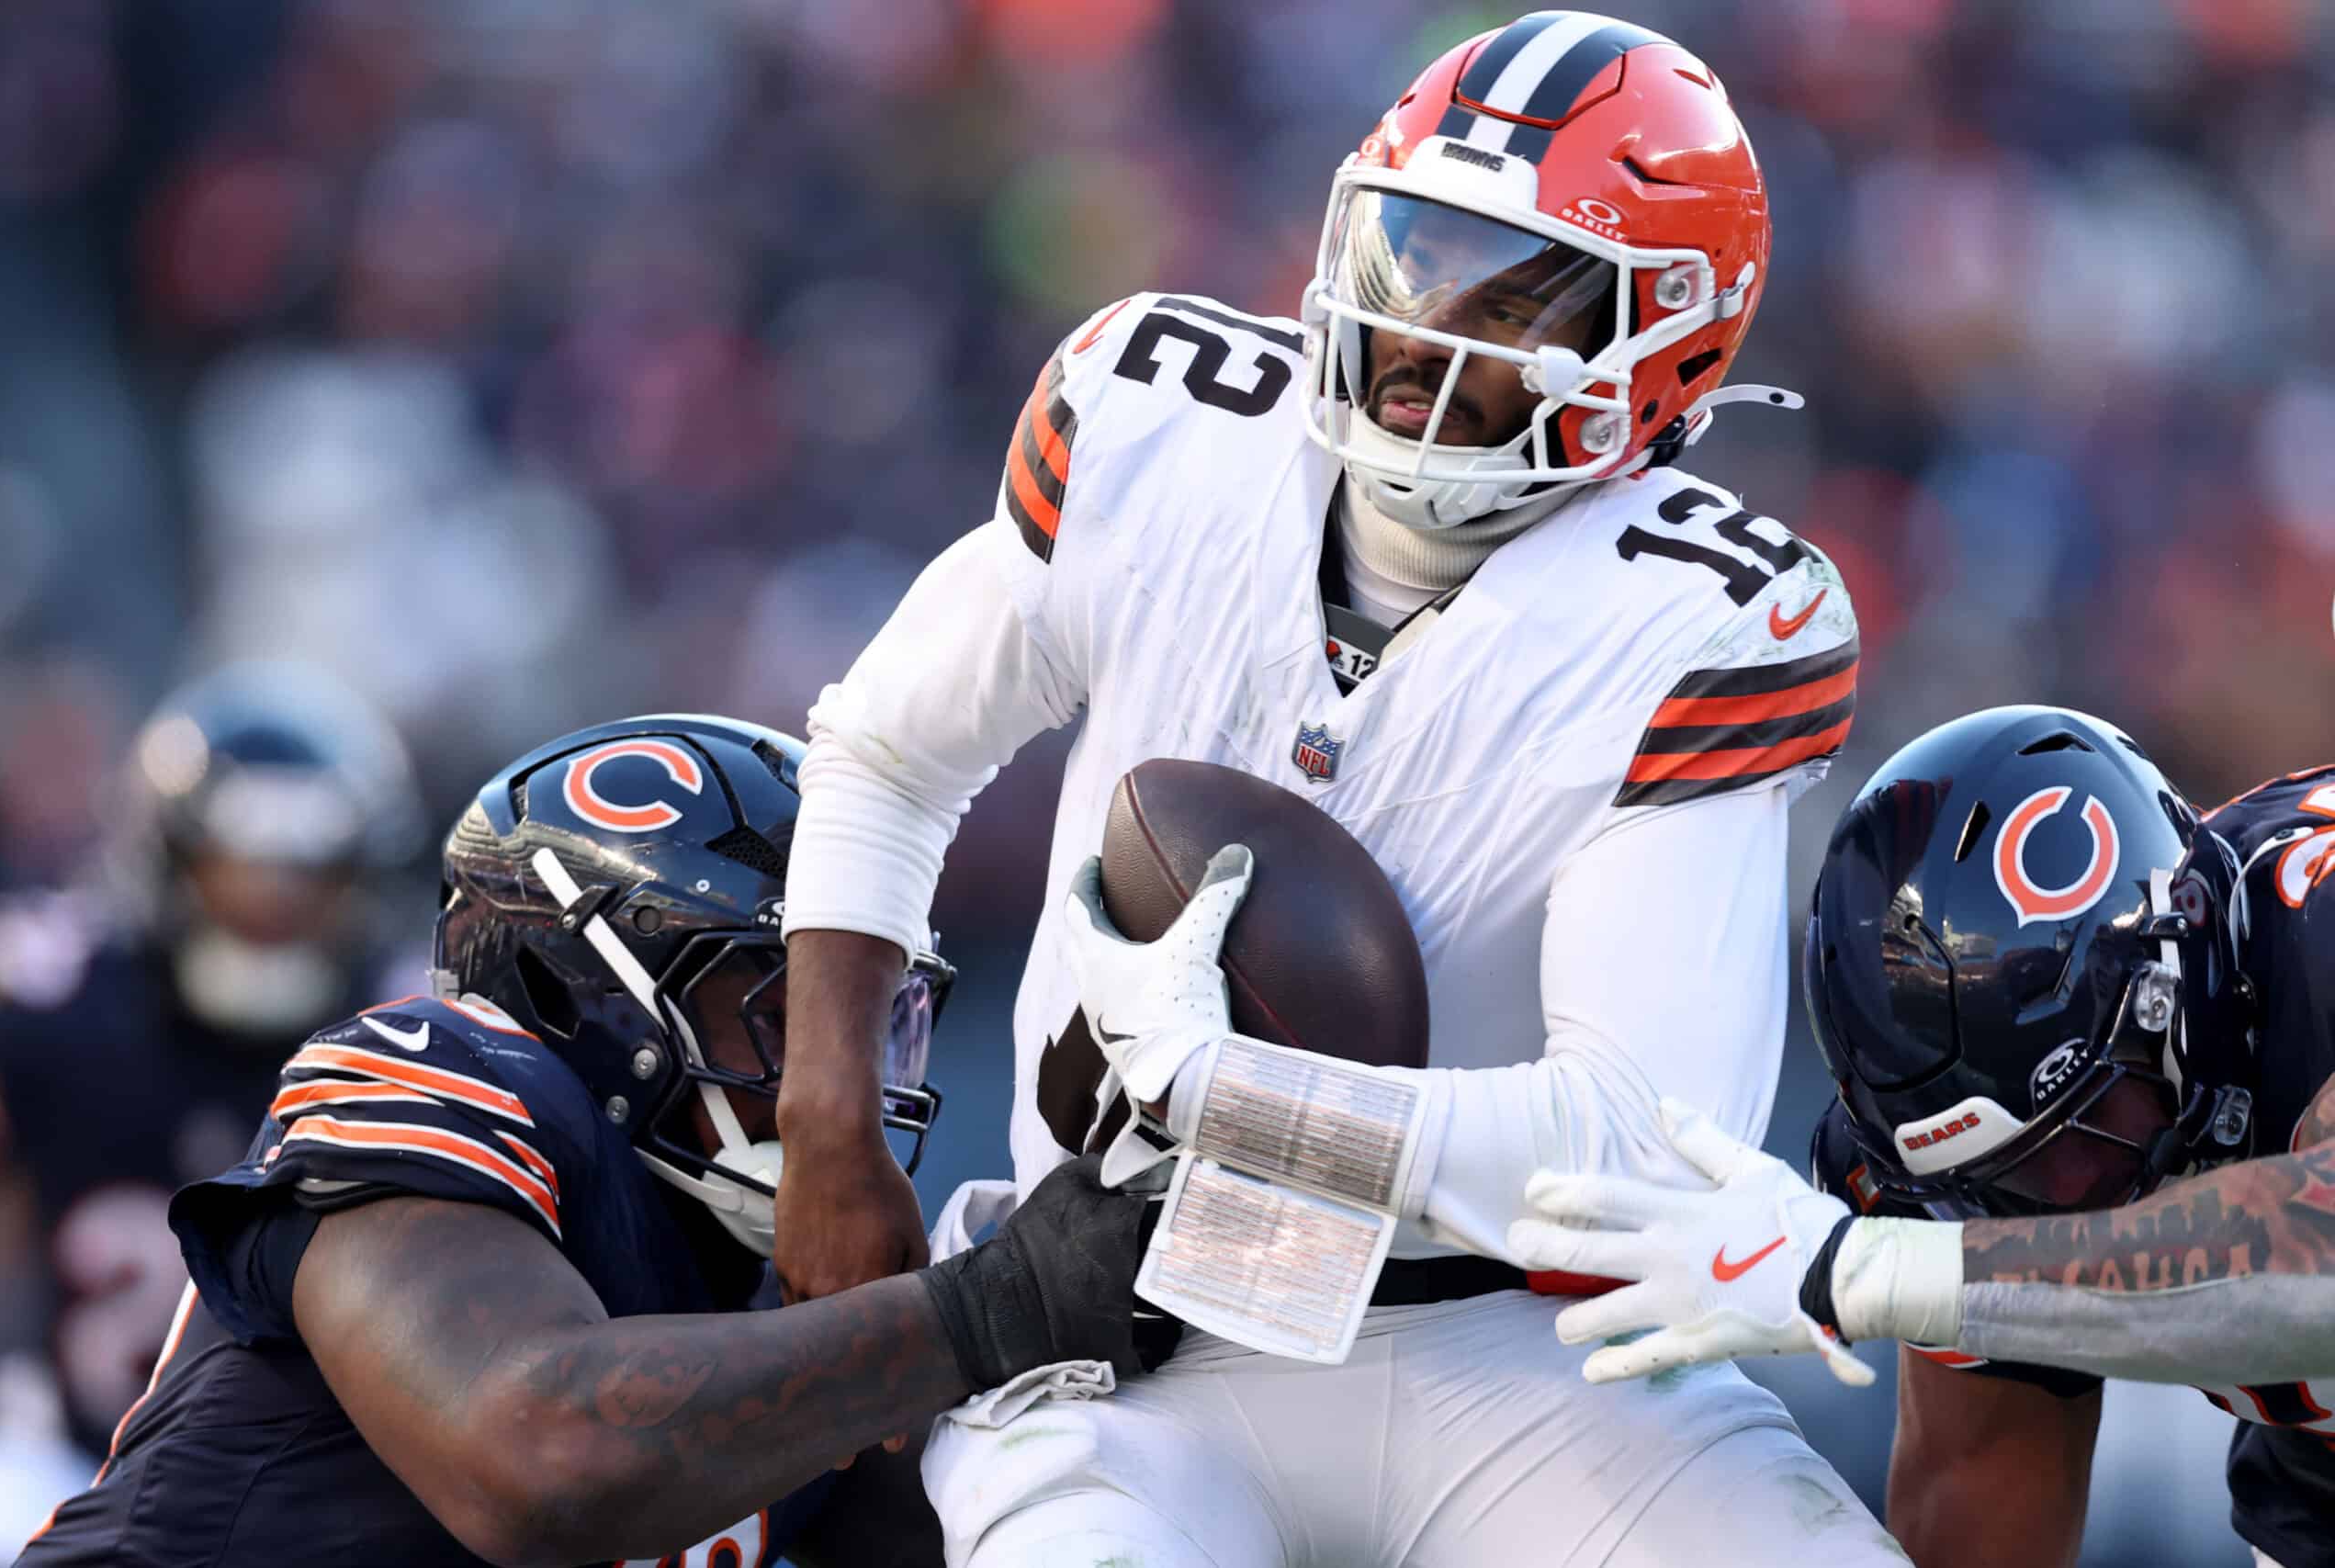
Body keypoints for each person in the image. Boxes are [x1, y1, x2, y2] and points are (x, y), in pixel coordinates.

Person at [772, 11, 1907, 1565]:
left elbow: (1639, 1148)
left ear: (1675, 337)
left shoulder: (1704, 618)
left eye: (1521, 292)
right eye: (1412, 251)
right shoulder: (1154, 422)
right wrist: (831, 1118)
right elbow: (890, 749)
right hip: (1120, 1329)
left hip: (1511, 1355)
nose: (1431, 324)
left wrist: (1231, 1097)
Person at [17, 715, 1167, 1568]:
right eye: (787, 1007)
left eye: (883, 1019)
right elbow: (538, 1457)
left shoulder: (787, 1288)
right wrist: (986, 1309)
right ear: (588, 991)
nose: (844, 1075)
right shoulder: (438, 1065)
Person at [1508, 704, 2335, 1568]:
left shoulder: (2316, 935)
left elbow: (2316, 1268)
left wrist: (1873, 1275)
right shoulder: (1937, 1172)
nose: (2058, 1205)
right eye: (2009, 1182)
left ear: (2183, 970)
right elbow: (1980, 1500)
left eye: (2089, 1126)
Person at [0, 664, 423, 1461]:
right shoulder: (52, 1003)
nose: (273, 903)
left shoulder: (411, 1033)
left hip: (322, 1490)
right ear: (169, 859)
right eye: (239, 866)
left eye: (310, 871)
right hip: (71, 1463)